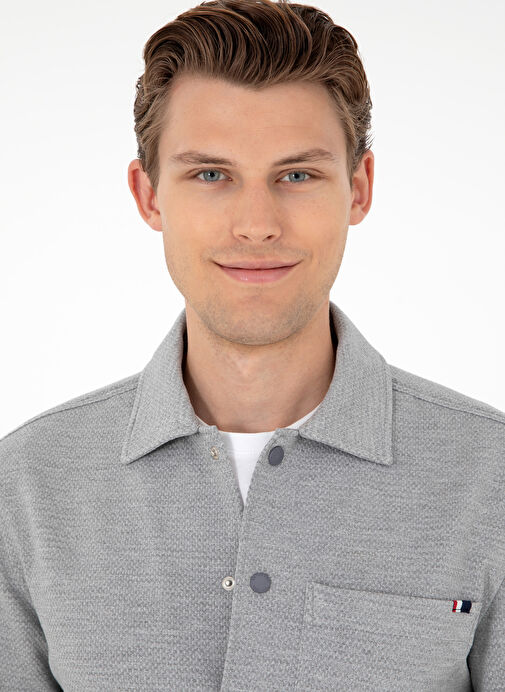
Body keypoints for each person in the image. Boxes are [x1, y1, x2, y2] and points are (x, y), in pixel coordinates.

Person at [1, 0, 503, 689]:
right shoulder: (27, 488)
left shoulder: (490, 478)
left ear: (358, 189)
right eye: (211, 174)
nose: (257, 223)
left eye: (297, 175)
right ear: (149, 196)